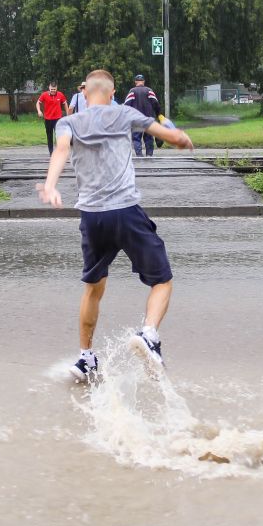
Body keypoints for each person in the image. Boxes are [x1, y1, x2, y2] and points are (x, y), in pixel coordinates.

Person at [35, 69, 194, 382]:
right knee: (162, 281)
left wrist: (51, 185)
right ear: (111, 93)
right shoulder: (124, 113)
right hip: (125, 211)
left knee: (93, 289)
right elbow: (172, 138)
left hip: (92, 217)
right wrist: (182, 137)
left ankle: (85, 358)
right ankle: (148, 334)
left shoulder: (68, 122)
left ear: (84, 96)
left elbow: (61, 150)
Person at [123, 74, 161, 157]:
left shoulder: (132, 91)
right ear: (143, 81)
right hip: (148, 119)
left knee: (136, 138)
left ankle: (139, 156)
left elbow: (126, 105)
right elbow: (156, 103)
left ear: (135, 82)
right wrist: (158, 114)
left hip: (136, 119)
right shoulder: (149, 91)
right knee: (149, 138)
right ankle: (149, 156)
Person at [36, 81, 68, 155]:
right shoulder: (44, 95)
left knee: (58, 135)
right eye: (51, 89)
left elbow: (65, 104)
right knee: (49, 136)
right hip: (48, 118)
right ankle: (51, 152)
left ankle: (59, 151)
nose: (53, 91)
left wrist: (68, 114)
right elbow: (38, 103)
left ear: (56, 88)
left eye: (54, 89)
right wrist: (39, 111)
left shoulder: (60, 95)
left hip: (58, 119)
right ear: (49, 88)